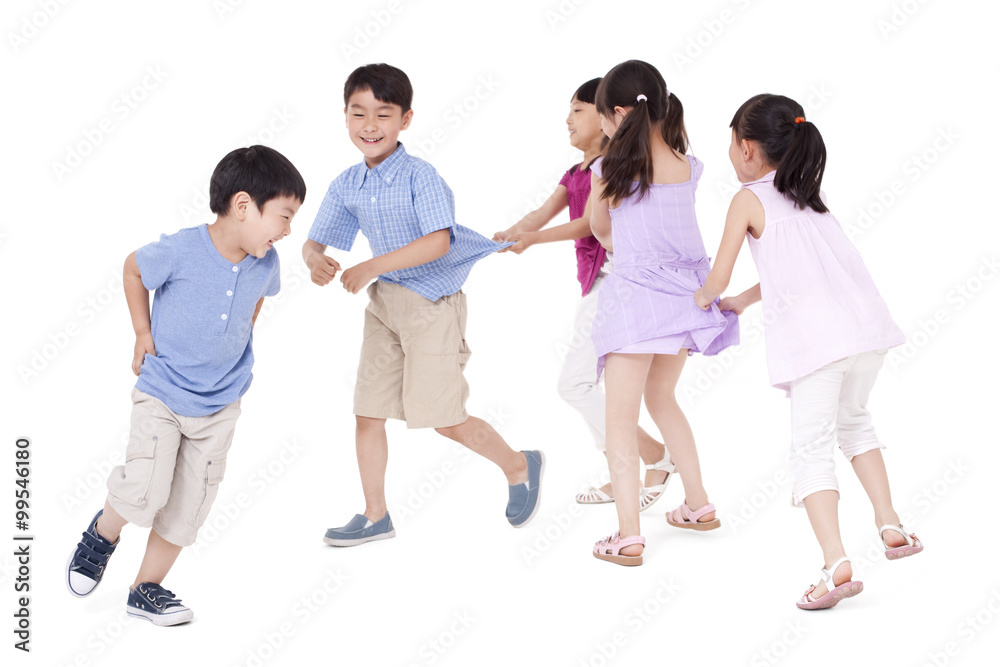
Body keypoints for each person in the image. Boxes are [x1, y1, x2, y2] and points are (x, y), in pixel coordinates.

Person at [695, 93, 921, 609]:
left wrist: (701, 300)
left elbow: (720, 273)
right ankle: (891, 527)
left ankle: (836, 564)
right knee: (855, 423)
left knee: (811, 450)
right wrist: (744, 304)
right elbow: (791, 275)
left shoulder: (748, 199)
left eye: (730, 144)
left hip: (819, 345)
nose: (730, 155)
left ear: (748, 148)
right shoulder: (807, 196)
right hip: (865, 334)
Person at [303, 63, 543, 547]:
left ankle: (520, 465)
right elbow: (315, 241)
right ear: (345, 117)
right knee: (367, 413)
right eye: (359, 113)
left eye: (383, 115)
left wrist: (370, 265)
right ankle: (376, 515)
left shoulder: (421, 177)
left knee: (445, 420)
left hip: (432, 304)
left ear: (406, 120)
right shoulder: (348, 182)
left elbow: (438, 243)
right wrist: (314, 260)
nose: (370, 126)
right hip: (385, 305)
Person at [65, 146, 306, 625]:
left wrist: (234, 346)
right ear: (243, 205)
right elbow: (134, 268)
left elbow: (254, 305)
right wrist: (141, 332)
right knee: (144, 490)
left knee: (189, 503)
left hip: (220, 405)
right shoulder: (181, 249)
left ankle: (145, 588)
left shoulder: (266, 263)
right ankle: (102, 533)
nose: (287, 230)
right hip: (164, 392)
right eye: (283, 216)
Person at [494, 78, 675, 511]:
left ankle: (652, 456)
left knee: (573, 384)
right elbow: (543, 212)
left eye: (577, 110)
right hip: (596, 283)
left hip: (616, 282)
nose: (568, 119)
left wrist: (533, 240)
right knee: (586, 385)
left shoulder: (613, 164)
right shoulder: (575, 171)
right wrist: (512, 232)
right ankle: (626, 467)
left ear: (607, 114)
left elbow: (588, 226)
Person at [588, 60, 739, 566]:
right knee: (664, 399)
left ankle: (628, 534)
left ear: (616, 113)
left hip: (635, 305)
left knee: (619, 420)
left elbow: (601, 232)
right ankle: (697, 504)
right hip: (684, 301)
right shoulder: (687, 166)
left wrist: (600, 170)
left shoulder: (611, 169)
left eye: (603, 117)